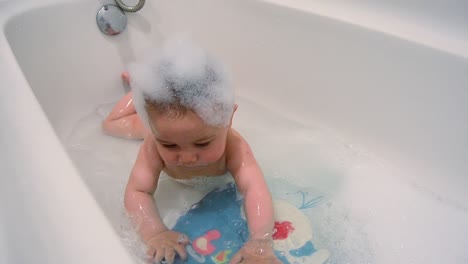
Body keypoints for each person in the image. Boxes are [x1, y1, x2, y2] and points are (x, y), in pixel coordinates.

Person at [104, 39, 281, 264]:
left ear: (228, 120)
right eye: (170, 145)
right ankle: (138, 89)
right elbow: (138, 191)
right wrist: (155, 233)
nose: (187, 157)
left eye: (202, 143)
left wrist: (259, 243)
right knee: (111, 125)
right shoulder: (153, 144)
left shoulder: (235, 146)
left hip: (162, 125)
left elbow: (255, 189)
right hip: (149, 125)